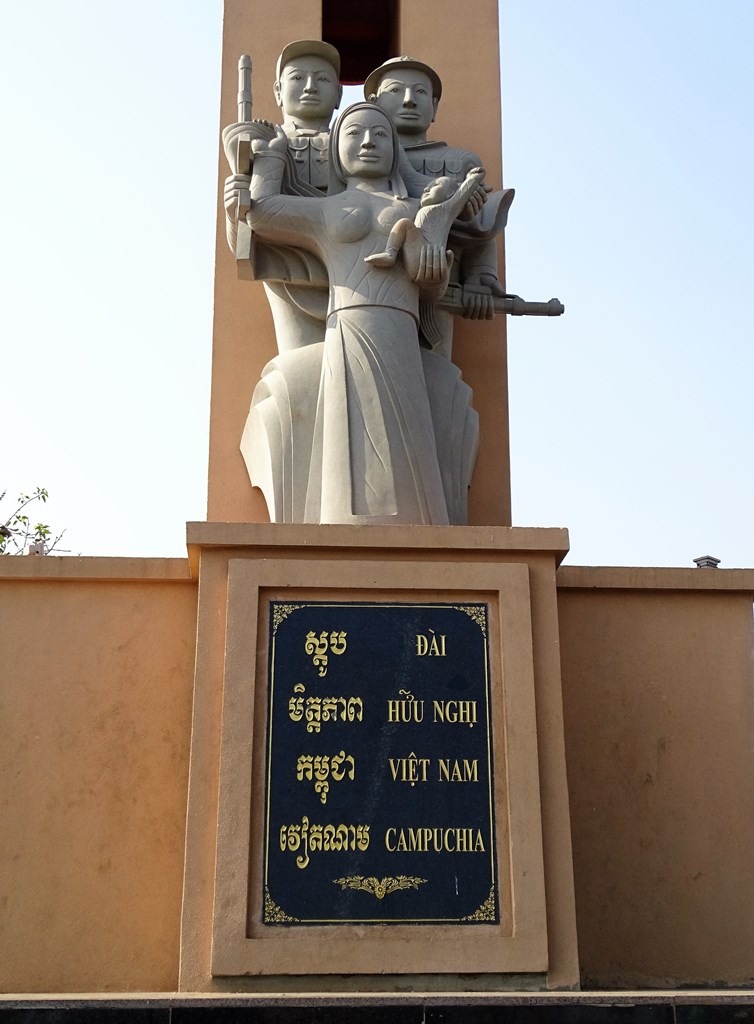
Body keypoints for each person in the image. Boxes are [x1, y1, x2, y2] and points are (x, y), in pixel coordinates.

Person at [242, 102, 479, 526]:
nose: (368, 142)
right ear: (335, 148)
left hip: (401, 332)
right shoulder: (328, 211)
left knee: (410, 433)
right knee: (345, 432)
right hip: (346, 326)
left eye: (380, 134)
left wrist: (434, 271)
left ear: (395, 150)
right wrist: (273, 154)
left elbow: (432, 286)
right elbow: (262, 212)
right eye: (354, 133)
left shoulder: (413, 210)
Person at [365, 56, 513, 353]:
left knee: (434, 373)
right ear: (374, 102)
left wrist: (479, 278)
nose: (409, 101)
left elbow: (480, 225)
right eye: (395, 90)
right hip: (369, 283)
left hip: (440, 280)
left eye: (420, 93)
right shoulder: (355, 155)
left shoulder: (459, 162)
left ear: (434, 107)